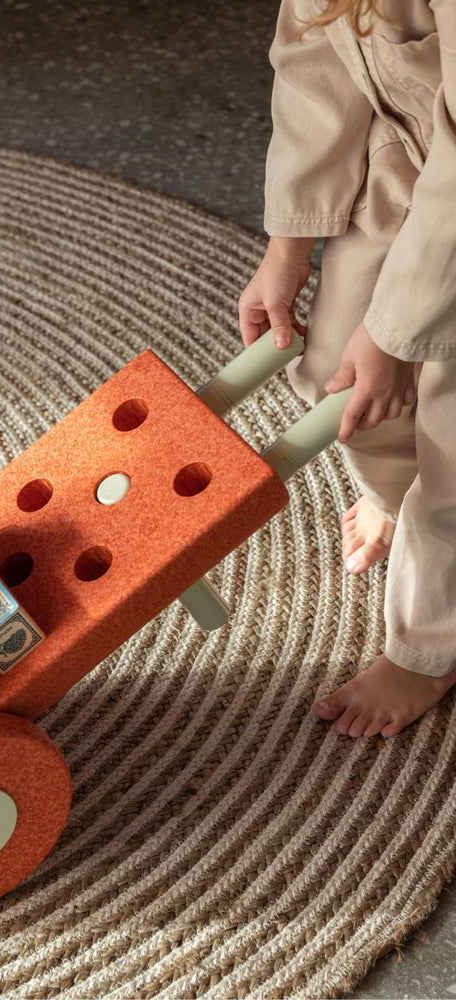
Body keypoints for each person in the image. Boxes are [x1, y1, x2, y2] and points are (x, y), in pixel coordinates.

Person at [238, 0, 456, 737]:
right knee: (340, 375)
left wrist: (398, 333)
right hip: (410, 155)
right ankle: (396, 496)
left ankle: (429, 646)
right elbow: (314, 64)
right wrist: (286, 249)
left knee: (452, 444)